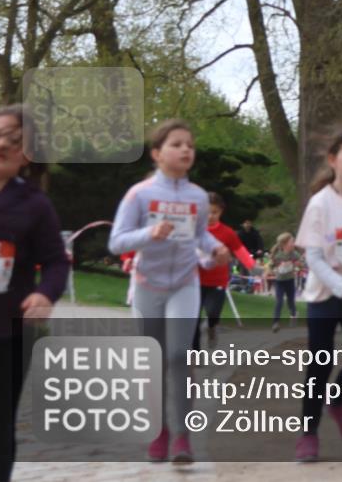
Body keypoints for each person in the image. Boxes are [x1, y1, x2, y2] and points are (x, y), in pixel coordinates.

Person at [108, 119, 231, 464]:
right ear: (157, 154)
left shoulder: (197, 197)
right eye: (177, 144)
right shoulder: (140, 194)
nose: (185, 150)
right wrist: (150, 234)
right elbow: (116, 241)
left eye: (190, 145)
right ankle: (158, 430)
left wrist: (215, 250)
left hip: (185, 284)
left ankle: (182, 436)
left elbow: (201, 239)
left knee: (179, 356)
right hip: (148, 284)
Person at [0, 105, 70, 482]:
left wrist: (45, 295)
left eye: (15, 140)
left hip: (6, 332)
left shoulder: (35, 204)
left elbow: (56, 262)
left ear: (27, 157)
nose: (2, 143)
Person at [293, 127, 342, 462]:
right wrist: (341, 286)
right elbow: (312, 258)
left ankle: (339, 402)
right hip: (326, 291)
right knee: (319, 364)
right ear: (333, 160)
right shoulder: (320, 203)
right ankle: (308, 434)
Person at [193, 192, 254, 348]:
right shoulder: (192, 229)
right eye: (206, 212)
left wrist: (254, 267)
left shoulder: (227, 233)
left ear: (221, 211)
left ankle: (212, 328)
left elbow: (240, 250)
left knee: (213, 313)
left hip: (217, 281)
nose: (210, 216)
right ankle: (195, 353)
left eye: (214, 212)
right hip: (194, 280)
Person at [268, 232, 301, 332]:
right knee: (279, 301)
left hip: (290, 280)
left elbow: (301, 262)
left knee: (290, 302)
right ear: (284, 244)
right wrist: (275, 269)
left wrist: (296, 264)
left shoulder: (294, 254)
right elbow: (270, 266)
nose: (293, 244)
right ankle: (275, 323)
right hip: (279, 281)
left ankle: (294, 314)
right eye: (292, 241)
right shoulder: (277, 255)